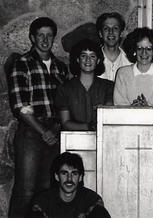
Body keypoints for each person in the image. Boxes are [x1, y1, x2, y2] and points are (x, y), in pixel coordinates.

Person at [8, 17, 68, 218]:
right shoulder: (22, 64)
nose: (45, 39)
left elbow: (65, 104)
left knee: (46, 191)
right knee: (25, 191)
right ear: (32, 38)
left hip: (54, 131)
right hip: (31, 132)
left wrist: (56, 129)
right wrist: (44, 131)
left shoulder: (60, 67)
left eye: (49, 35)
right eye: (40, 35)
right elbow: (20, 107)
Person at [55, 39, 114, 131]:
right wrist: (89, 127)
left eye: (92, 56)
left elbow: (109, 115)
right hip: (74, 140)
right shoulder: (65, 88)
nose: (88, 60)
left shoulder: (109, 87)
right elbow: (65, 123)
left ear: (98, 61)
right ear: (78, 59)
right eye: (83, 56)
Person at [29, 152, 106, 218]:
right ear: (57, 176)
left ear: (80, 177)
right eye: (64, 173)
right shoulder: (43, 202)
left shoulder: (92, 201)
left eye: (74, 173)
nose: (69, 179)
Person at [114, 27, 153, 106]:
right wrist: (133, 109)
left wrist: (147, 108)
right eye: (139, 48)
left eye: (148, 49)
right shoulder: (122, 73)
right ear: (134, 51)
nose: (144, 53)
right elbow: (119, 106)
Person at [96, 12, 131, 81]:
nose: (111, 32)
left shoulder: (130, 62)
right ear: (100, 33)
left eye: (115, 28)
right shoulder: (91, 61)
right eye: (106, 28)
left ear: (121, 33)